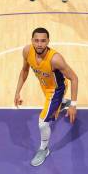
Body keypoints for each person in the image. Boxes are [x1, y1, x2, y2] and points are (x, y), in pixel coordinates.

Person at [14, 28, 79, 166]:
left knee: (43, 122)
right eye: (36, 40)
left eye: (43, 41)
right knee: (54, 107)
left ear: (48, 41)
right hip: (45, 85)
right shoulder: (27, 51)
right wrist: (17, 91)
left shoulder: (55, 59)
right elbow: (25, 70)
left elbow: (74, 78)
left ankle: (44, 149)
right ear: (32, 41)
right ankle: (61, 104)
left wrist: (74, 105)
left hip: (56, 90)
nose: (39, 44)